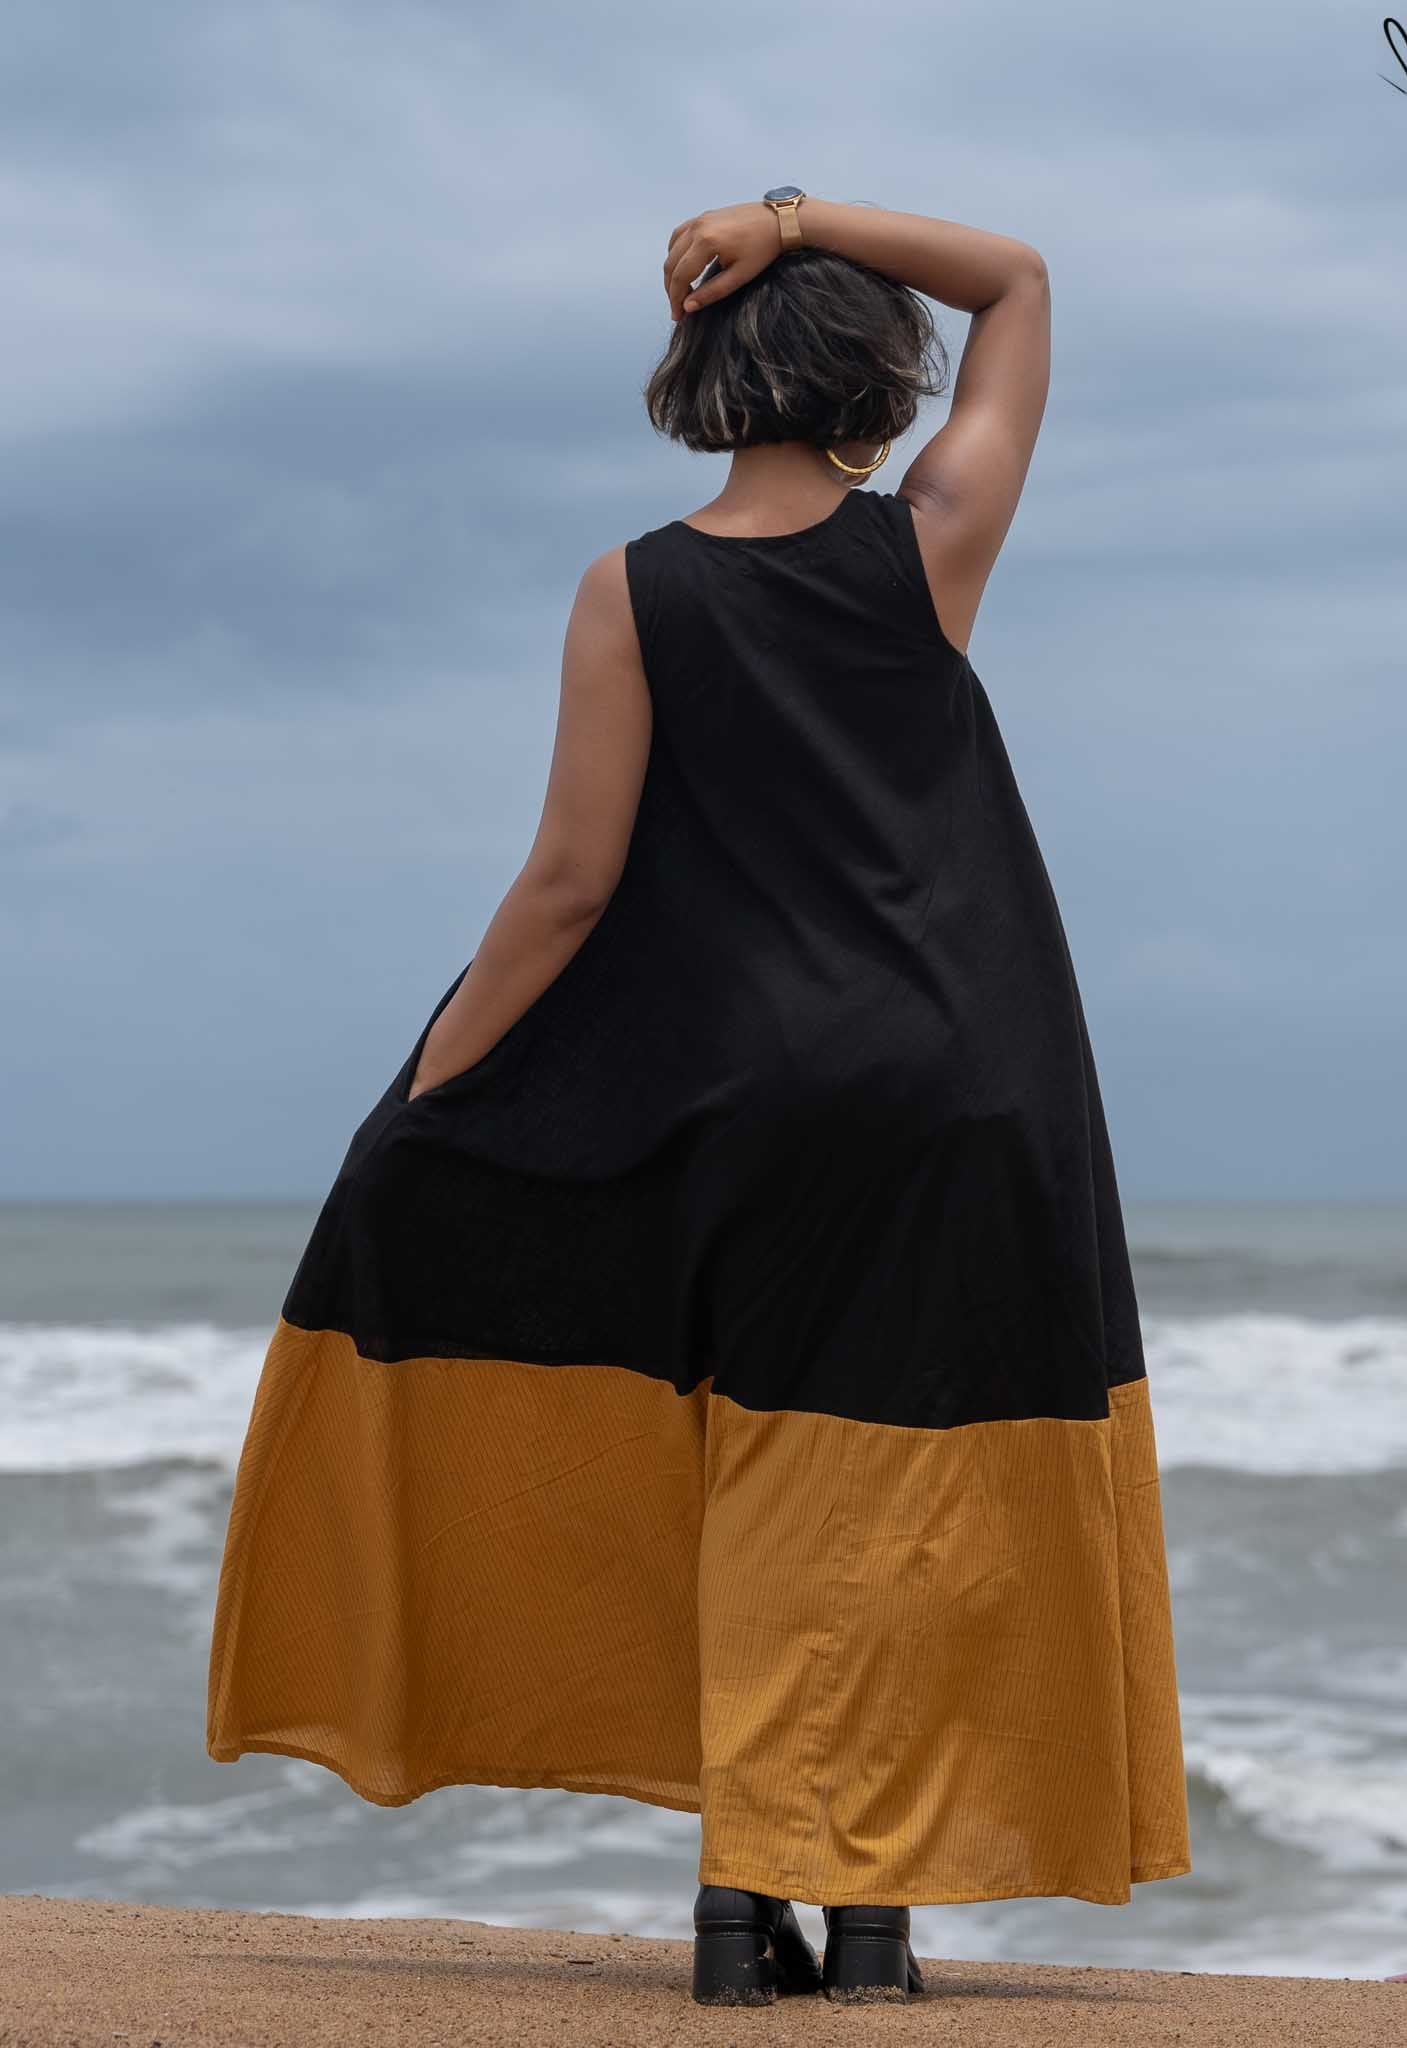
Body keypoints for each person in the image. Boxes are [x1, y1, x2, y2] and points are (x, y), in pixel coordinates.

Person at [205, 191, 1191, 2011]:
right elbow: (1021, 279)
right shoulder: (929, 549)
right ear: (875, 381)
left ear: (705, 370)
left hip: (748, 1100)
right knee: (911, 1491)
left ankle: (741, 1911)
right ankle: (874, 1918)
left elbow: (567, 887)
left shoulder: (633, 590)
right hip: (965, 1086)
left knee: (755, 1480)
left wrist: (426, 1095)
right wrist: (791, 214)